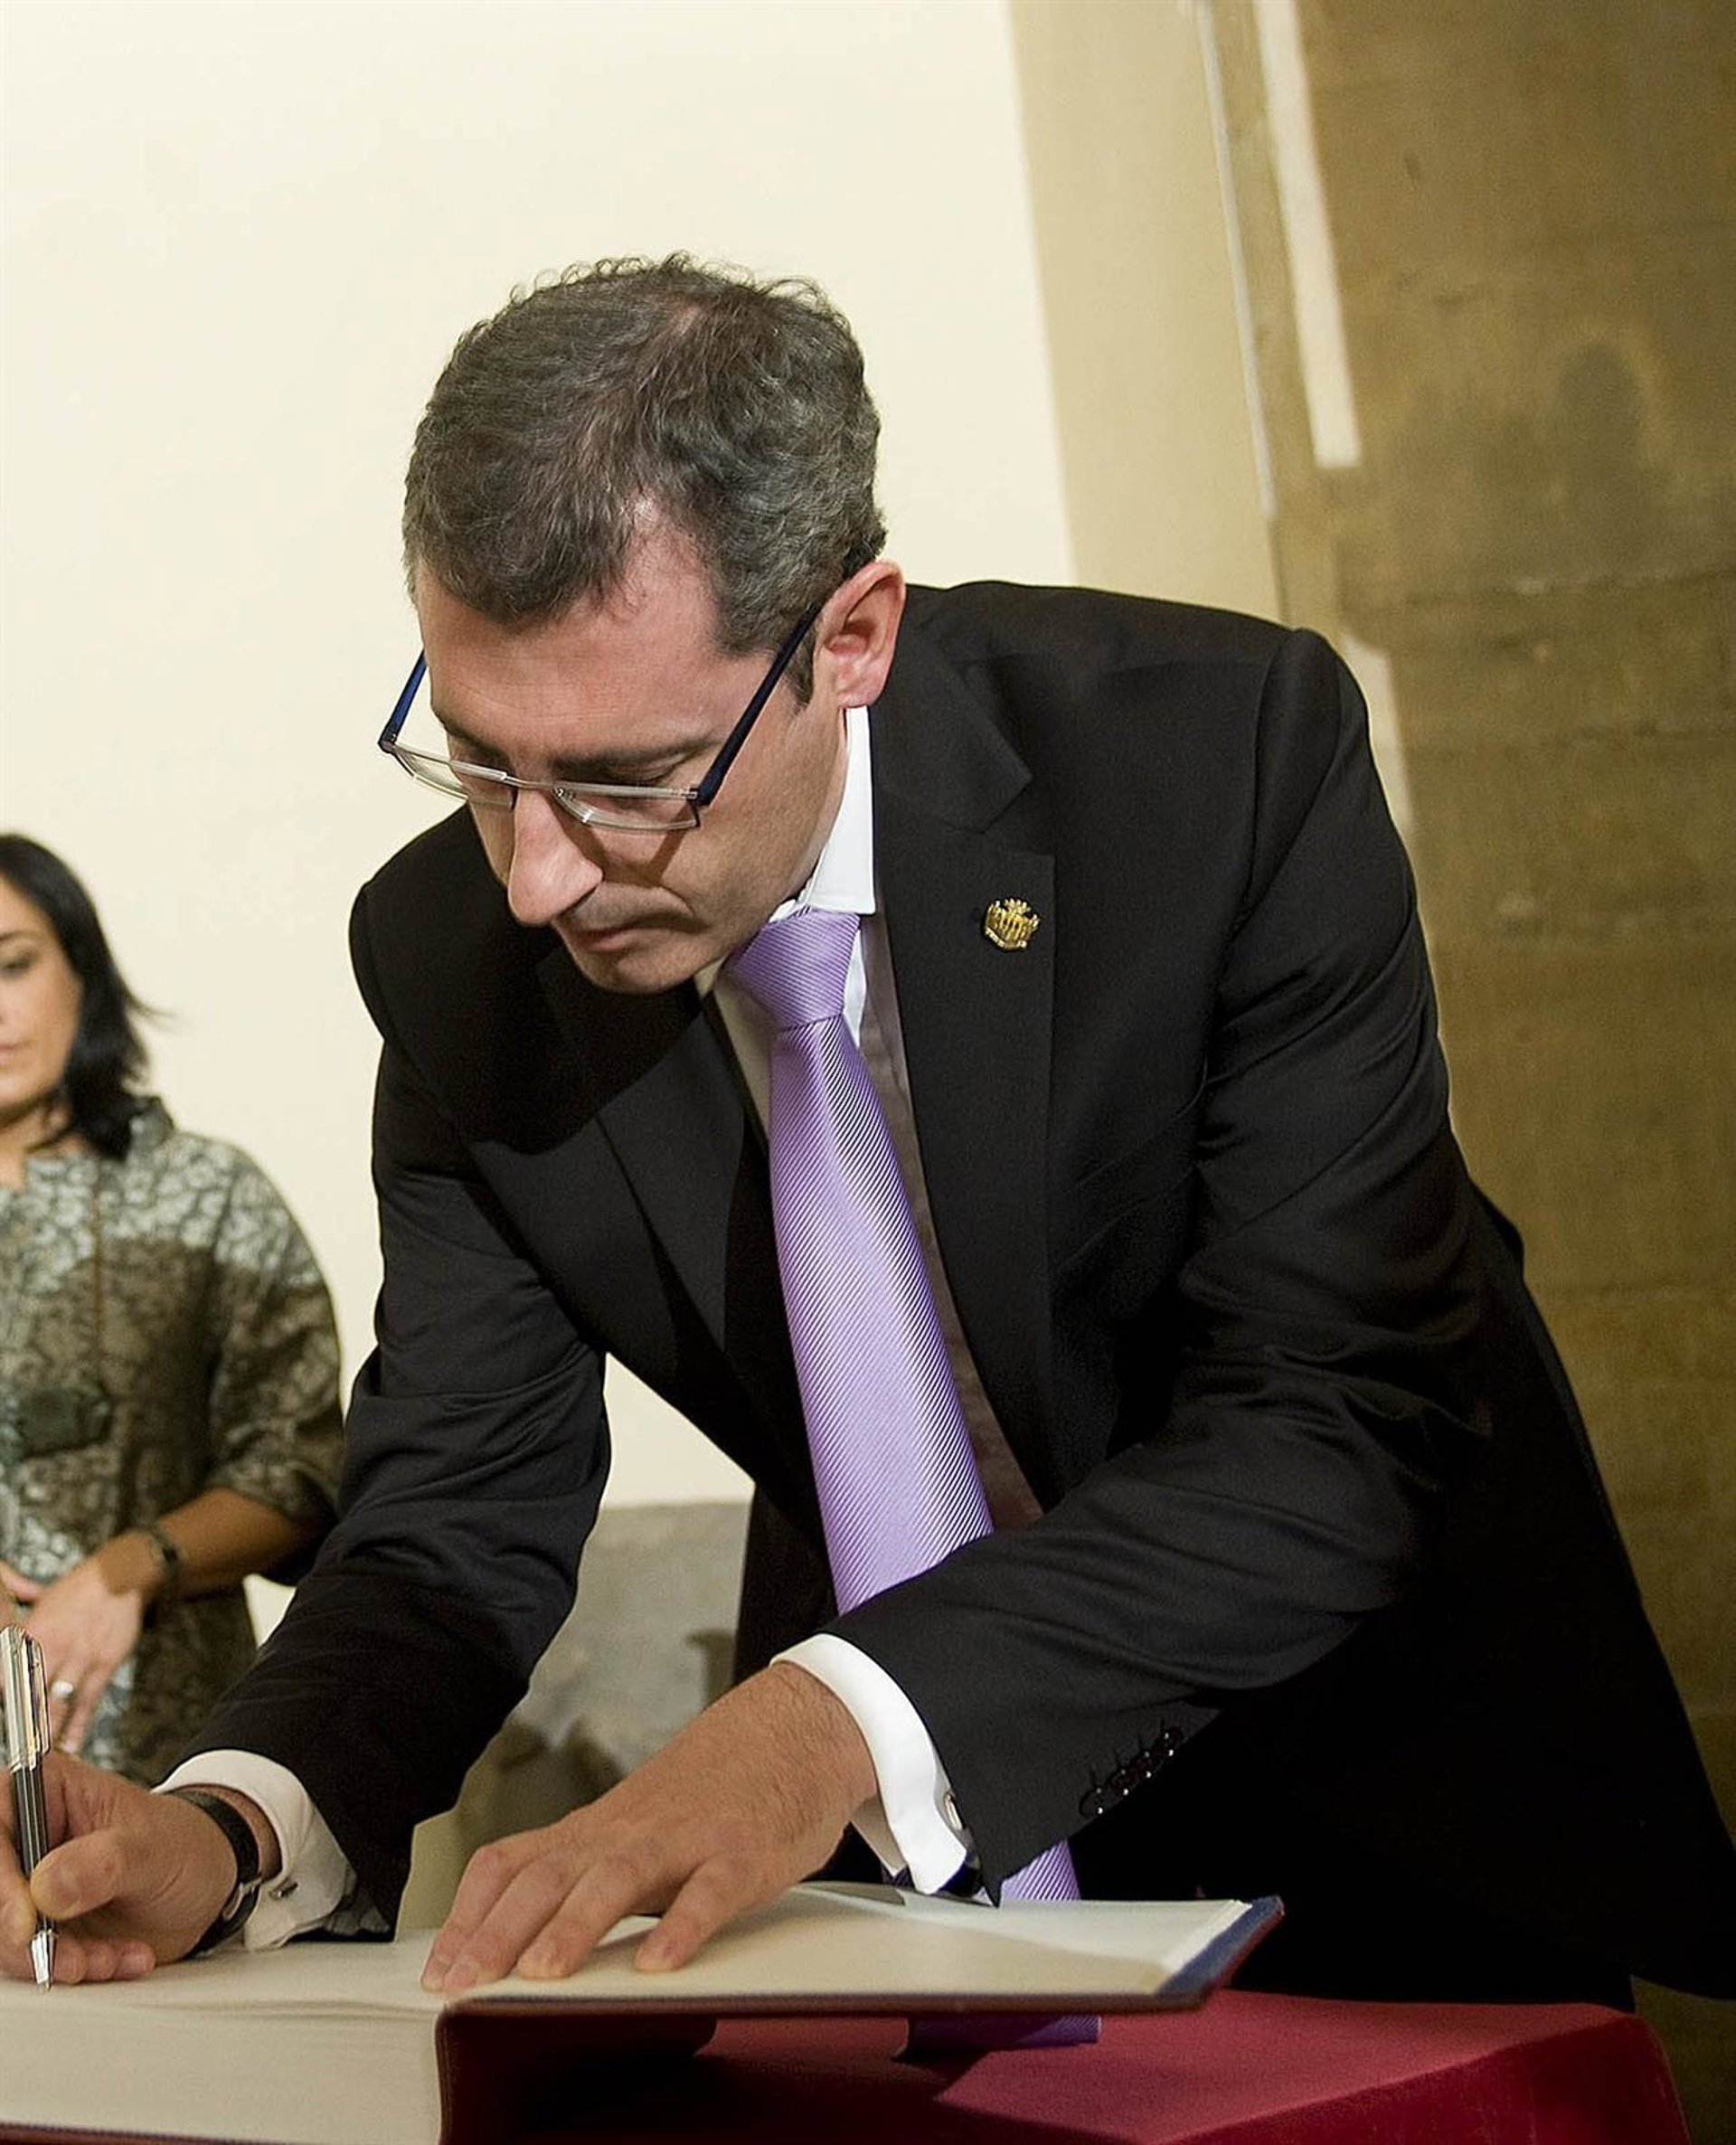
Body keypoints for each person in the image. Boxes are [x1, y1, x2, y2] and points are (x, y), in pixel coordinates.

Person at [4, 260, 1732, 2002]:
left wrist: (831, 1721)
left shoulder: (1218, 764)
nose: (536, 876)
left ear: (852, 639)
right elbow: (454, 1509)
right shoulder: (454, 954)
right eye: (477, 758)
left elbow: (1338, 1409)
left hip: (1368, 1769)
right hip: (894, 1873)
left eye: (628, 781)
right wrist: (234, 1823)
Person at [0, 834, 344, 1787]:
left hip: (169, 1743)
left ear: (82, 972)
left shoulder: (208, 1196)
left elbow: (302, 1466)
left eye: (12, 965)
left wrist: (134, 1565)